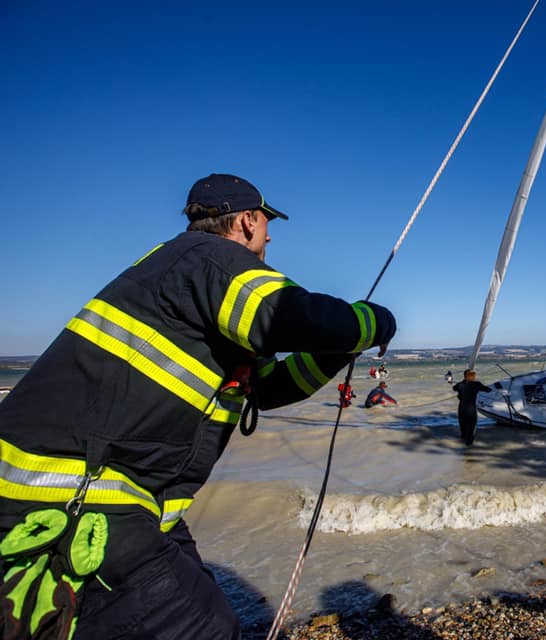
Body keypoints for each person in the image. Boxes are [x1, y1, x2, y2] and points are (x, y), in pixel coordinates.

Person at [0, 173, 396, 639]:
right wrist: (373, 321)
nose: (270, 236)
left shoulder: (200, 285)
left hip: (142, 504)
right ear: (248, 221)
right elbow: (286, 314)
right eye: (267, 224)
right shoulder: (209, 258)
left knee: (205, 608)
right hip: (73, 502)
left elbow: (269, 389)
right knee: (204, 627)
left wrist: (341, 347)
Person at [453, 369, 491, 446]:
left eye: (474, 374)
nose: (474, 376)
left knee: (463, 433)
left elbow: (454, 388)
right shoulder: (476, 384)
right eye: (472, 374)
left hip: (461, 411)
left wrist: (462, 381)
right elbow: (488, 390)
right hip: (471, 412)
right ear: (468, 376)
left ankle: (463, 451)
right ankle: (469, 453)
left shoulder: (459, 385)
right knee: (470, 434)